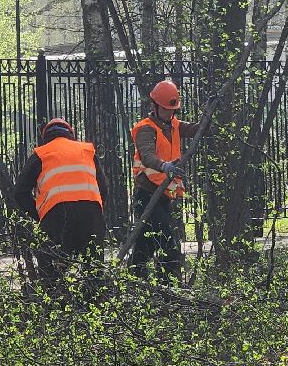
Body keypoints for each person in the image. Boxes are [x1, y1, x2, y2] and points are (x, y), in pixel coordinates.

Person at [11, 116, 107, 283]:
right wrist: (95, 212)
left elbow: (19, 192)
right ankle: (96, 301)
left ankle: (56, 304)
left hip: (56, 216)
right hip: (91, 214)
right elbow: (104, 188)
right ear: (71, 134)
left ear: (45, 137)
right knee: (94, 272)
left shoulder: (41, 153)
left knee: (52, 272)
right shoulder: (86, 150)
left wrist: (39, 215)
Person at [129, 79, 199, 279]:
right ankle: (169, 286)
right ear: (154, 106)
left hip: (163, 197)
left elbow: (198, 129)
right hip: (147, 195)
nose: (170, 113)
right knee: (169, 245)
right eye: (166, 109)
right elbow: (147, 155)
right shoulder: (145, 129)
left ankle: (135, 281)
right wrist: (164, 166)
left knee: (144, 247)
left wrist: (211, 113)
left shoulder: (175, 126)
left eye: (172, 109)